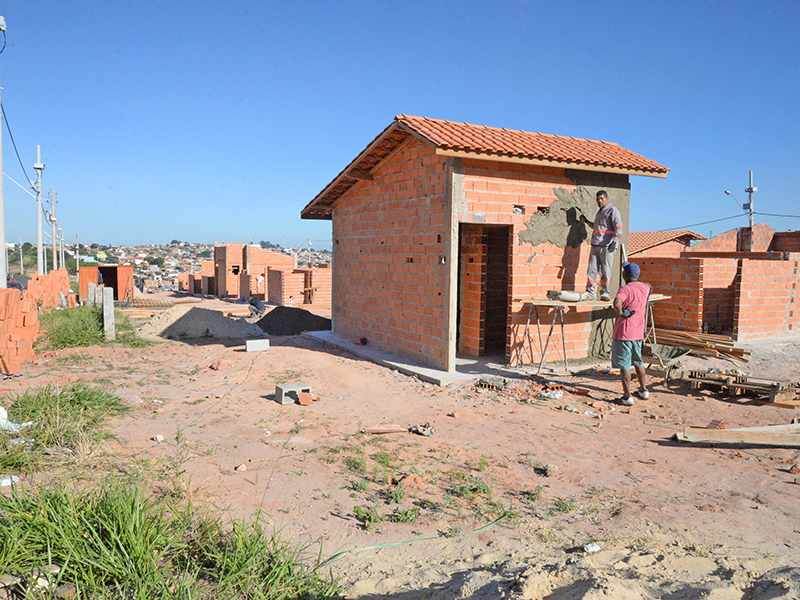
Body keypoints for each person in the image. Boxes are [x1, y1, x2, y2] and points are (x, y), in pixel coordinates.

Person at [611, 261, 651, 406]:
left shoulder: (625, 289)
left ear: (624, 275)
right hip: (638, 333)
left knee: (625, 366)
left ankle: (627, 396)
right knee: (638, 362)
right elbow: (649, 288)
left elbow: (616, 303)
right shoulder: (645, 287)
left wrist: (622, 312)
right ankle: (643, 390)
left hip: (624, 333)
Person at [583, 190, 622, 301]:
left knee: (606, 270)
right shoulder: (599, 212)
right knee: (592, 270)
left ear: (607, 198)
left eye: (601, 198)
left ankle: (605, 293)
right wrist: (586, 222)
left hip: (607, 246)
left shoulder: (612, 211)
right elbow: (597, 228)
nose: (599, 201)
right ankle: (590, 293)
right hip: (596, 245)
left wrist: (614, 242)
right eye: (598, 199)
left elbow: (619, 228)